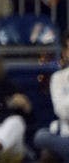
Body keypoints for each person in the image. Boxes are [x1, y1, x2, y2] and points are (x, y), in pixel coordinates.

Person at [34, 31, 69, 160]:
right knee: (41, 137)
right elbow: (61, 111)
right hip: (64, 135)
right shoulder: (58, 77)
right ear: (65, 53)